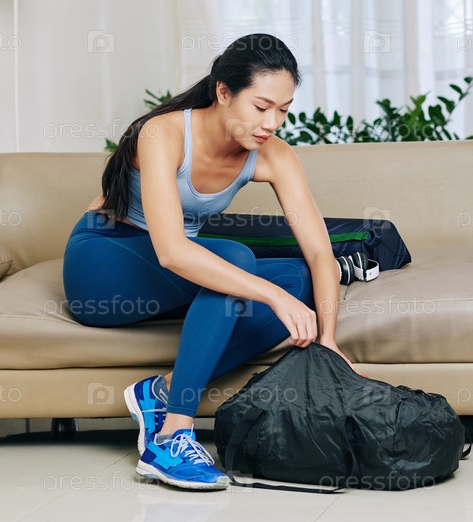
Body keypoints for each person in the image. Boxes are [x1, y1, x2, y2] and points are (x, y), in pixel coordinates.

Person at [62, 33, 355, 491]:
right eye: (261, 107)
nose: (272, 123)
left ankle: (160, 392)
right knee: (238, 262)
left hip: (171, 278)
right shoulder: (162, 134)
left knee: (297, 277)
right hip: (104, 265)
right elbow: (172, 251)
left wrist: (329, 338)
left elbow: (319, 251)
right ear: (223, 92)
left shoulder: (273, 154)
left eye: (283, 110)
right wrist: (271, 297)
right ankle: (172, 435)